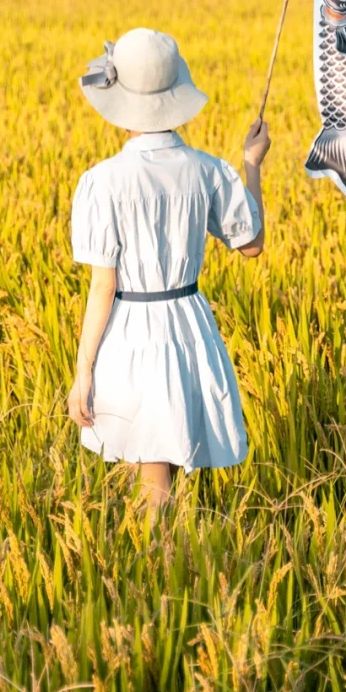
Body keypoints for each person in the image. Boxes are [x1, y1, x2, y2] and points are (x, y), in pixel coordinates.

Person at [67, 27, 270, 514]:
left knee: (152, 478)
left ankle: (155, 570)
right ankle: (165, 563)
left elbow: (103, 286)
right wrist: (253, 164)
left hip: (133, 330)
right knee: (162, 466)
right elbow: (253, 243)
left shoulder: (102, 182)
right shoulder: (207, 169)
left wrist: (83, 370)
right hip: (189, 323)